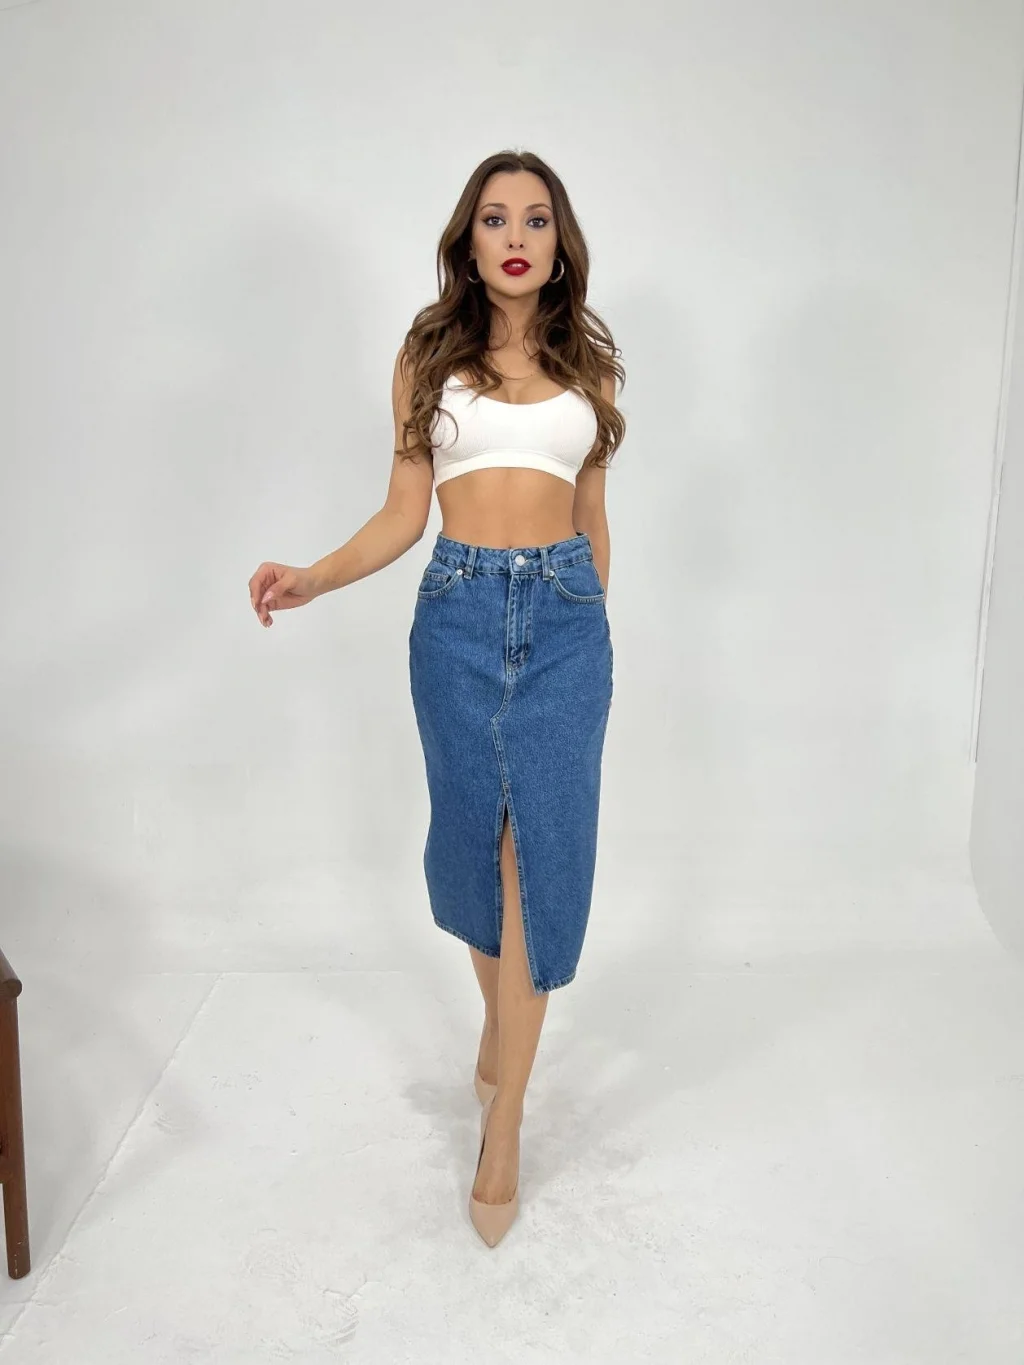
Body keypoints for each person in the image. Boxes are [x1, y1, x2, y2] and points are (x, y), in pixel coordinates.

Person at [248, 149, 625, 1247]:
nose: (516, 236)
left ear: (559, 244)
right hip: (456, 616)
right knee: (470, 847)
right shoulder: (428, 355)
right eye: (495, 218)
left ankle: (505, 1122)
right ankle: (497, 1025)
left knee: (537, 860)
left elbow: (594, 518)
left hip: (564, 622)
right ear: (469, 239)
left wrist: (594, 625)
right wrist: (316, 576)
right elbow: (403, 511)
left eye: (537, 219)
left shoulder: (592, 368)